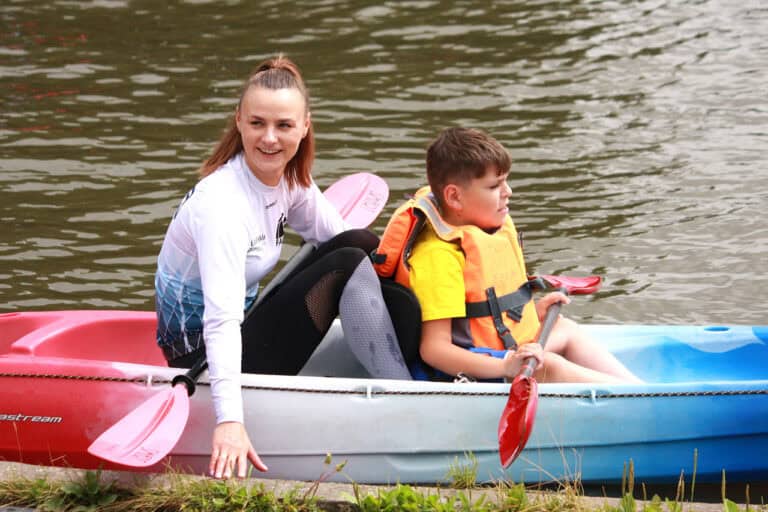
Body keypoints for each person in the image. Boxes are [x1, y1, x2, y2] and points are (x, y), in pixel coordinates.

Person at [154, 55, 409, 480]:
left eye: (284, 126)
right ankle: (410, 395)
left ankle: (439, 345)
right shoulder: (222, 208)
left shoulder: (290, 179)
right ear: (238, 121)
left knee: (361, 244)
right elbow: (220, 323)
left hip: (245, 325)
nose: (270, 138)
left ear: (305, 126)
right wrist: (230, 422)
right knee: (348, 260)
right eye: (257, 124)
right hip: (201, 356)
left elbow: (342, 236)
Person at [373, 127, 642, 384]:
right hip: (460, 370)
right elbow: (434, 350)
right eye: (494, 186)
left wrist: (532, 313)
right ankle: (642, 400)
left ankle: (639, 387)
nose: (508, 192)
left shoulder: (483, 232)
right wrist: (505, 366)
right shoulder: (439, 257)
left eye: (506, 182)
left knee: (565, 328)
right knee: (548, 366)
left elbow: (482, 318)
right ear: (454, 197)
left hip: (495, 348)